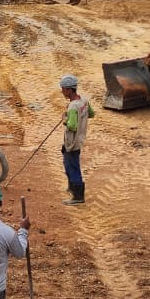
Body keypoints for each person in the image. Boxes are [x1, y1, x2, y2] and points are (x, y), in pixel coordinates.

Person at [59, 74, 93, 205]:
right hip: (79, 139)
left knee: (72, 166)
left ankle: (78, 196)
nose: (62, 91)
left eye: (63, 89)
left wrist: (65, 119)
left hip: (72, 141)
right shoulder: (84, 101)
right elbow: (91, 114)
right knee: (69, 163)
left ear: (69, 90)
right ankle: (72, 188)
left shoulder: (73, 106)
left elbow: (72, 126)